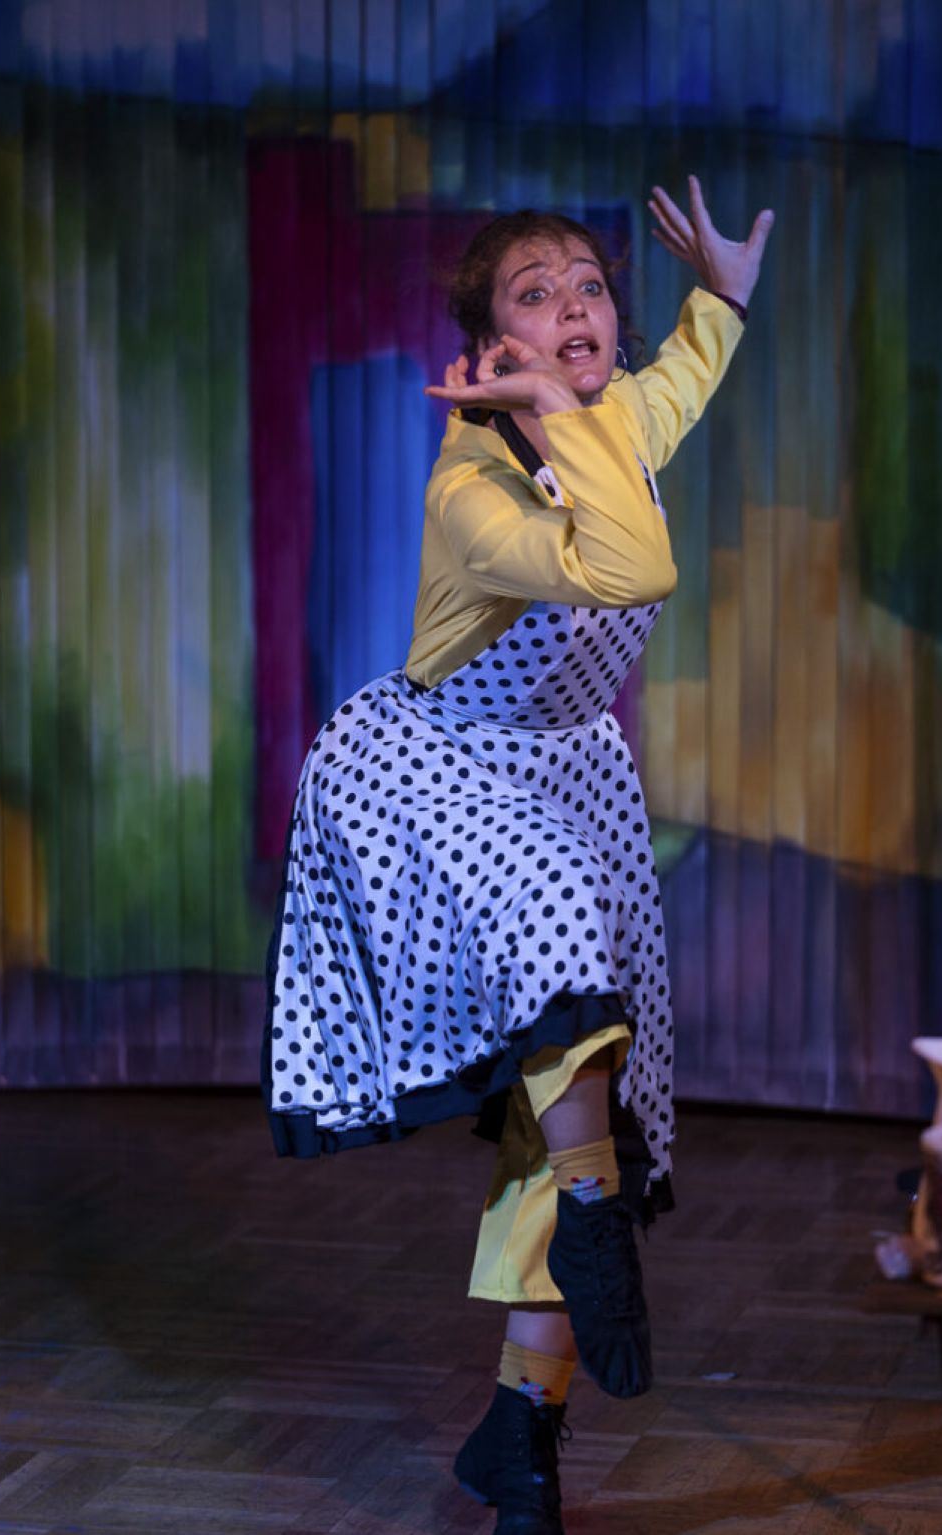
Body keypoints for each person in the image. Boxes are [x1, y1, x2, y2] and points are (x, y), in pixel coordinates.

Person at [263, 176, 773, 1534]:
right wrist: (550, 415)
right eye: (536, 297)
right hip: (437, 775)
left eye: (590, 286)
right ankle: (596, 1218)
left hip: (566, 774)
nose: (578, 308)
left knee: (582, 1088)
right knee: (559, 935)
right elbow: (627, 568)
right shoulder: (473, 486)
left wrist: (719, 300)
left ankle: (520, 1440)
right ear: (491, 349)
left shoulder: (614, 417)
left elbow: (679, 383)